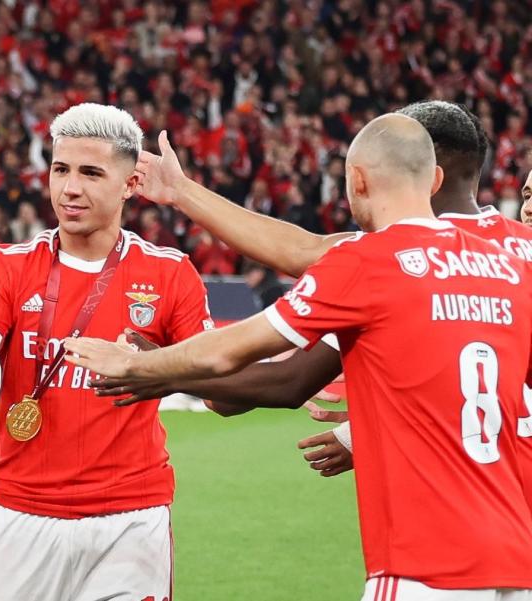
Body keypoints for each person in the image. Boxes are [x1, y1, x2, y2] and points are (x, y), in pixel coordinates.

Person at [65, 113, 532, 598]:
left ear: (359, 180)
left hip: (428, 564)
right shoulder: (515, 259)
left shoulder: (369, 261)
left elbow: (271, 345)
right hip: (518, 552)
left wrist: (143, 366)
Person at [99, 101, 532, 481]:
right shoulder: (517, 252)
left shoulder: (378, 259)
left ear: (423, 172)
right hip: (507, 512)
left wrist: (158, 369)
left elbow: (287, 370)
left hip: (436, 529)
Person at [0, 103, 212, 600]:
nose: (69, 188)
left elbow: (221, 393)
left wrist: (156, 366)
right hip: (23, 513)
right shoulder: (7, 266)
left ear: (131, 184)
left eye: (91, 173)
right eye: (60, 169)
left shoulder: (171, 273)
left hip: (131, 518)